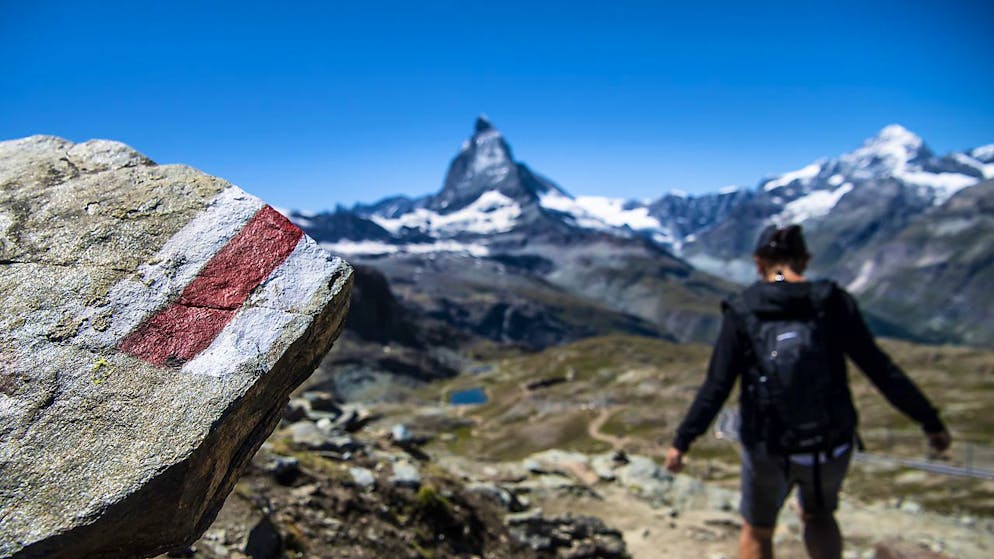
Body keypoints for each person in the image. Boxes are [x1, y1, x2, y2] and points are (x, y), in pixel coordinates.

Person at [664, 224, 952, 559]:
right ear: (805, 260)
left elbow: (717, 384)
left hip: (767, 445)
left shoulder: (743, 310)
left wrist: (683, 440)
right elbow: (880, 369)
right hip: (829, 443)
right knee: (819, 515)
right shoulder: (831, 302)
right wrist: (929, 420)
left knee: (757, 529)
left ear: (758, 262)